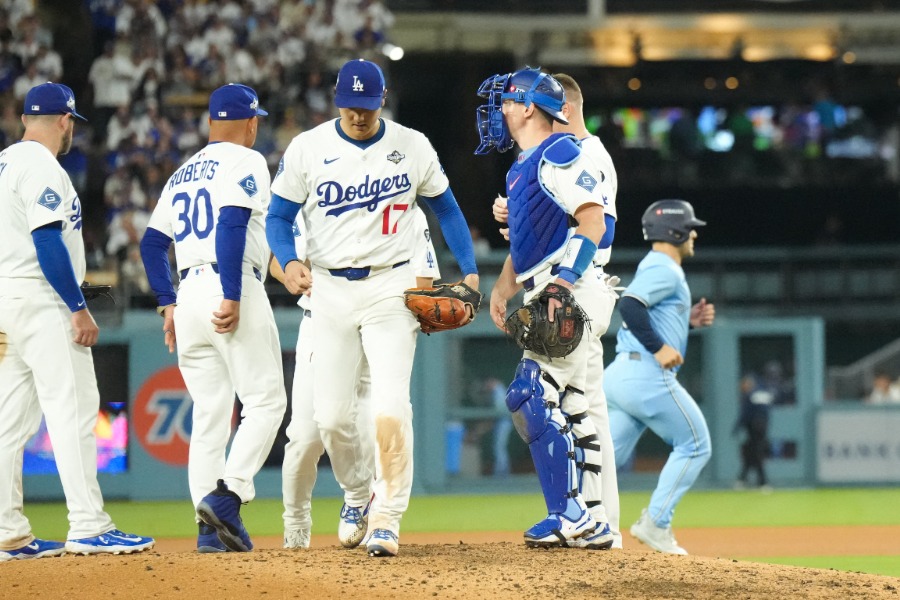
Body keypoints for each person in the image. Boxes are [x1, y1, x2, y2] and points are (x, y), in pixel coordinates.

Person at [266, 58, 479, 558]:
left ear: (382, 100)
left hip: (391, 284)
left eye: (366, 106)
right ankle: (359, 493)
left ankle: (387, 518)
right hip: (329, 288)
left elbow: (446, 208)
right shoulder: (308, 148)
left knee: (389, 406)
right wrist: (289, 260)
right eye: (349, 106)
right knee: (330, 418)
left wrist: (469, 269)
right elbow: (277, 216)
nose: (358, 115)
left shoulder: (412, 145)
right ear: (336, 101)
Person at [0, 82, 154, 560]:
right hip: (41, 299)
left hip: (7, 298)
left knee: (9, 423)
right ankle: (88, 525)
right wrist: (76, 306)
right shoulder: (42, 166)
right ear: (65, 120)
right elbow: (47, 240)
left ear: (26, 119)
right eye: (72, 124)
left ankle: (7, 531)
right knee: (74, 411)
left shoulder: (4, 162)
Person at [139, 83, 288, 553]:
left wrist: (167, 302)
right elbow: (231, 222)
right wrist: (232, 294)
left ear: (210, 122)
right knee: (266, 403)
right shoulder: (247, 159)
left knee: (209, 416)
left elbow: (151, 244)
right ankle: (227, 497)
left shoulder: (181, 173)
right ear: (251, 123)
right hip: (230, 283)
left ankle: (208, 533)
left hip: (187, 295)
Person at [476, 67, 615, 550]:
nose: (501, 110)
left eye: (508, 101)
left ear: (529, 107)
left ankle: (569, 514)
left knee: (529, 392)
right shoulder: (523, 165)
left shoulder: (559, 153)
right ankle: (594, 519)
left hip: (572, 288)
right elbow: (532, 243)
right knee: (572, 407)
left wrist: (562, 284)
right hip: (549, 286)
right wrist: (503, 287)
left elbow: (594, 223)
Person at [273, 207, 440, 550]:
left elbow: (424, 277)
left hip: (381, 321)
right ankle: (298, 525)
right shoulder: (321, 197)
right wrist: (293, 272)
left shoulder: (403, 200)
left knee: (381, 418)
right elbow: (278, 260)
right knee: (306, 436)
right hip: (323, 321)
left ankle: (373, 508)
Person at [604, 199, 715, 555]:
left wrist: (686, 321)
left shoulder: (653, 264)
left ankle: (581, 519)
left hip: (620, 375)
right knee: (695, 444)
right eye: (690, 228)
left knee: (604, 459)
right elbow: (630, 305)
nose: (694, 234)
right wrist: (659, 348)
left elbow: (645, 310)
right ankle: (656, 522)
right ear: (675, 231)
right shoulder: (666, 268)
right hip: (646, 376)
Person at [733, 373, 773, 490]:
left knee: (755, 454)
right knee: (751, 454)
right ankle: (743, 479)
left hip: (754, 429)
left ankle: (762, 482)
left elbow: (746, 414)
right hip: (762, 428)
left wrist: (737, 427)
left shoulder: (750, 395)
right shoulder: (762, 394)